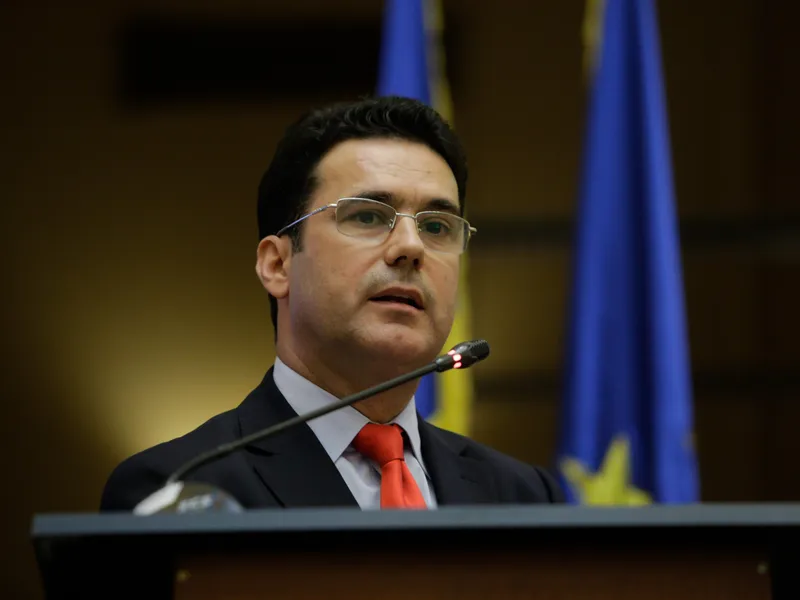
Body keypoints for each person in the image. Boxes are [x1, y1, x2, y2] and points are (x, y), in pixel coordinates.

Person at [100, 96, 564, 511]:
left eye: (437, 227)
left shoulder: (523, 498)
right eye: (368, 216)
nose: (411, 246)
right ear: (278, 265)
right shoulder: (181, 491)